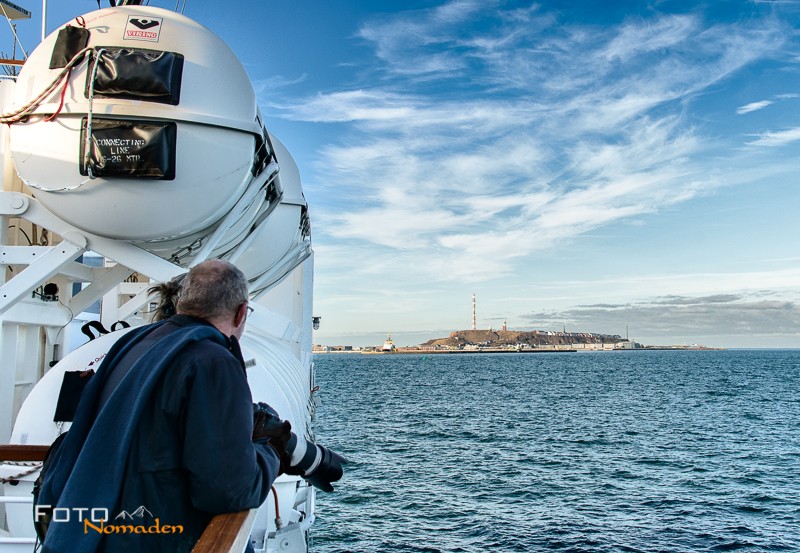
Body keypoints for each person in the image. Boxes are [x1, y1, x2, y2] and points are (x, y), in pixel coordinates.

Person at [36, 259, 343, 553]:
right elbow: (230, 491)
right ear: (241, 314)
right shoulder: (212, 361)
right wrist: (271, 451)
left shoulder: (136, 343)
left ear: (181, 300)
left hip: (94, 528)